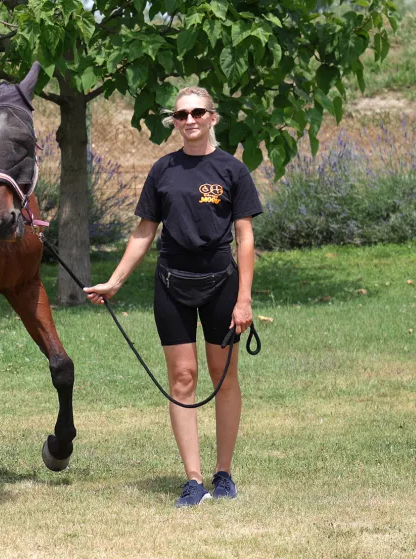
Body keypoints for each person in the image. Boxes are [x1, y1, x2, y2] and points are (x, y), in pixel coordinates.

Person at [83, 86, 262, 507]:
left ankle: (224, 475)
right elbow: (144, 230)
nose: (190, 120)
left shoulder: (232, 171)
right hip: (171, 284)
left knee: (224, 376)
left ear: (212, 117)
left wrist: (245, 299)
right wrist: (115, 281)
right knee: (182, 379)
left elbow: (245, 237)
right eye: (181, 115)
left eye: (198, 112)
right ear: (175, 122)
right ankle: (194, 480)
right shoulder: (163, 170)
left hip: (223, 284)